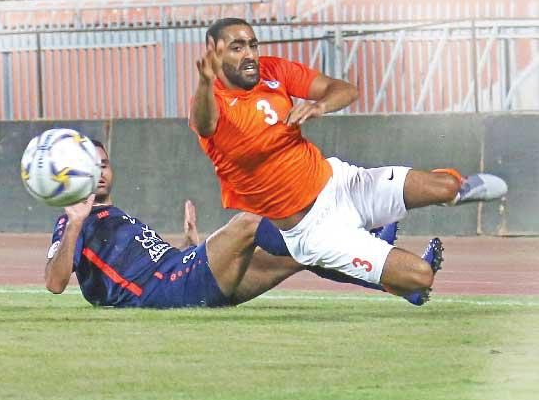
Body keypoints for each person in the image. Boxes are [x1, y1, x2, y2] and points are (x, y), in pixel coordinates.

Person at [189, 17, 507, 300]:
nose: (250, 54)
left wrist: (320, 105)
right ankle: (387, 268)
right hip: (313, 231)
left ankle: (455, 191)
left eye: (253, 45)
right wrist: (205, 81)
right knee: (420, 276)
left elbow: (344, 89)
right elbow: (204, 123)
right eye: (237, 48)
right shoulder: (211, 103)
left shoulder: (274, 71)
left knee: (446, 186)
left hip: (341, 183)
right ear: (214, 52)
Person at [44, 140, 426, 307]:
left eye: (105, 164)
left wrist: (189, 244)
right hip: (171, 290)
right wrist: (74, 222)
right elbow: (54, 283)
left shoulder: (118, 216)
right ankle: (364, 237)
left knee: (300, 251)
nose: (101, 173)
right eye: (91, 167)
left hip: (180, 275)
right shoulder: (76, 222)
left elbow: (146, 271)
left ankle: (396, 283)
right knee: (252, 218)